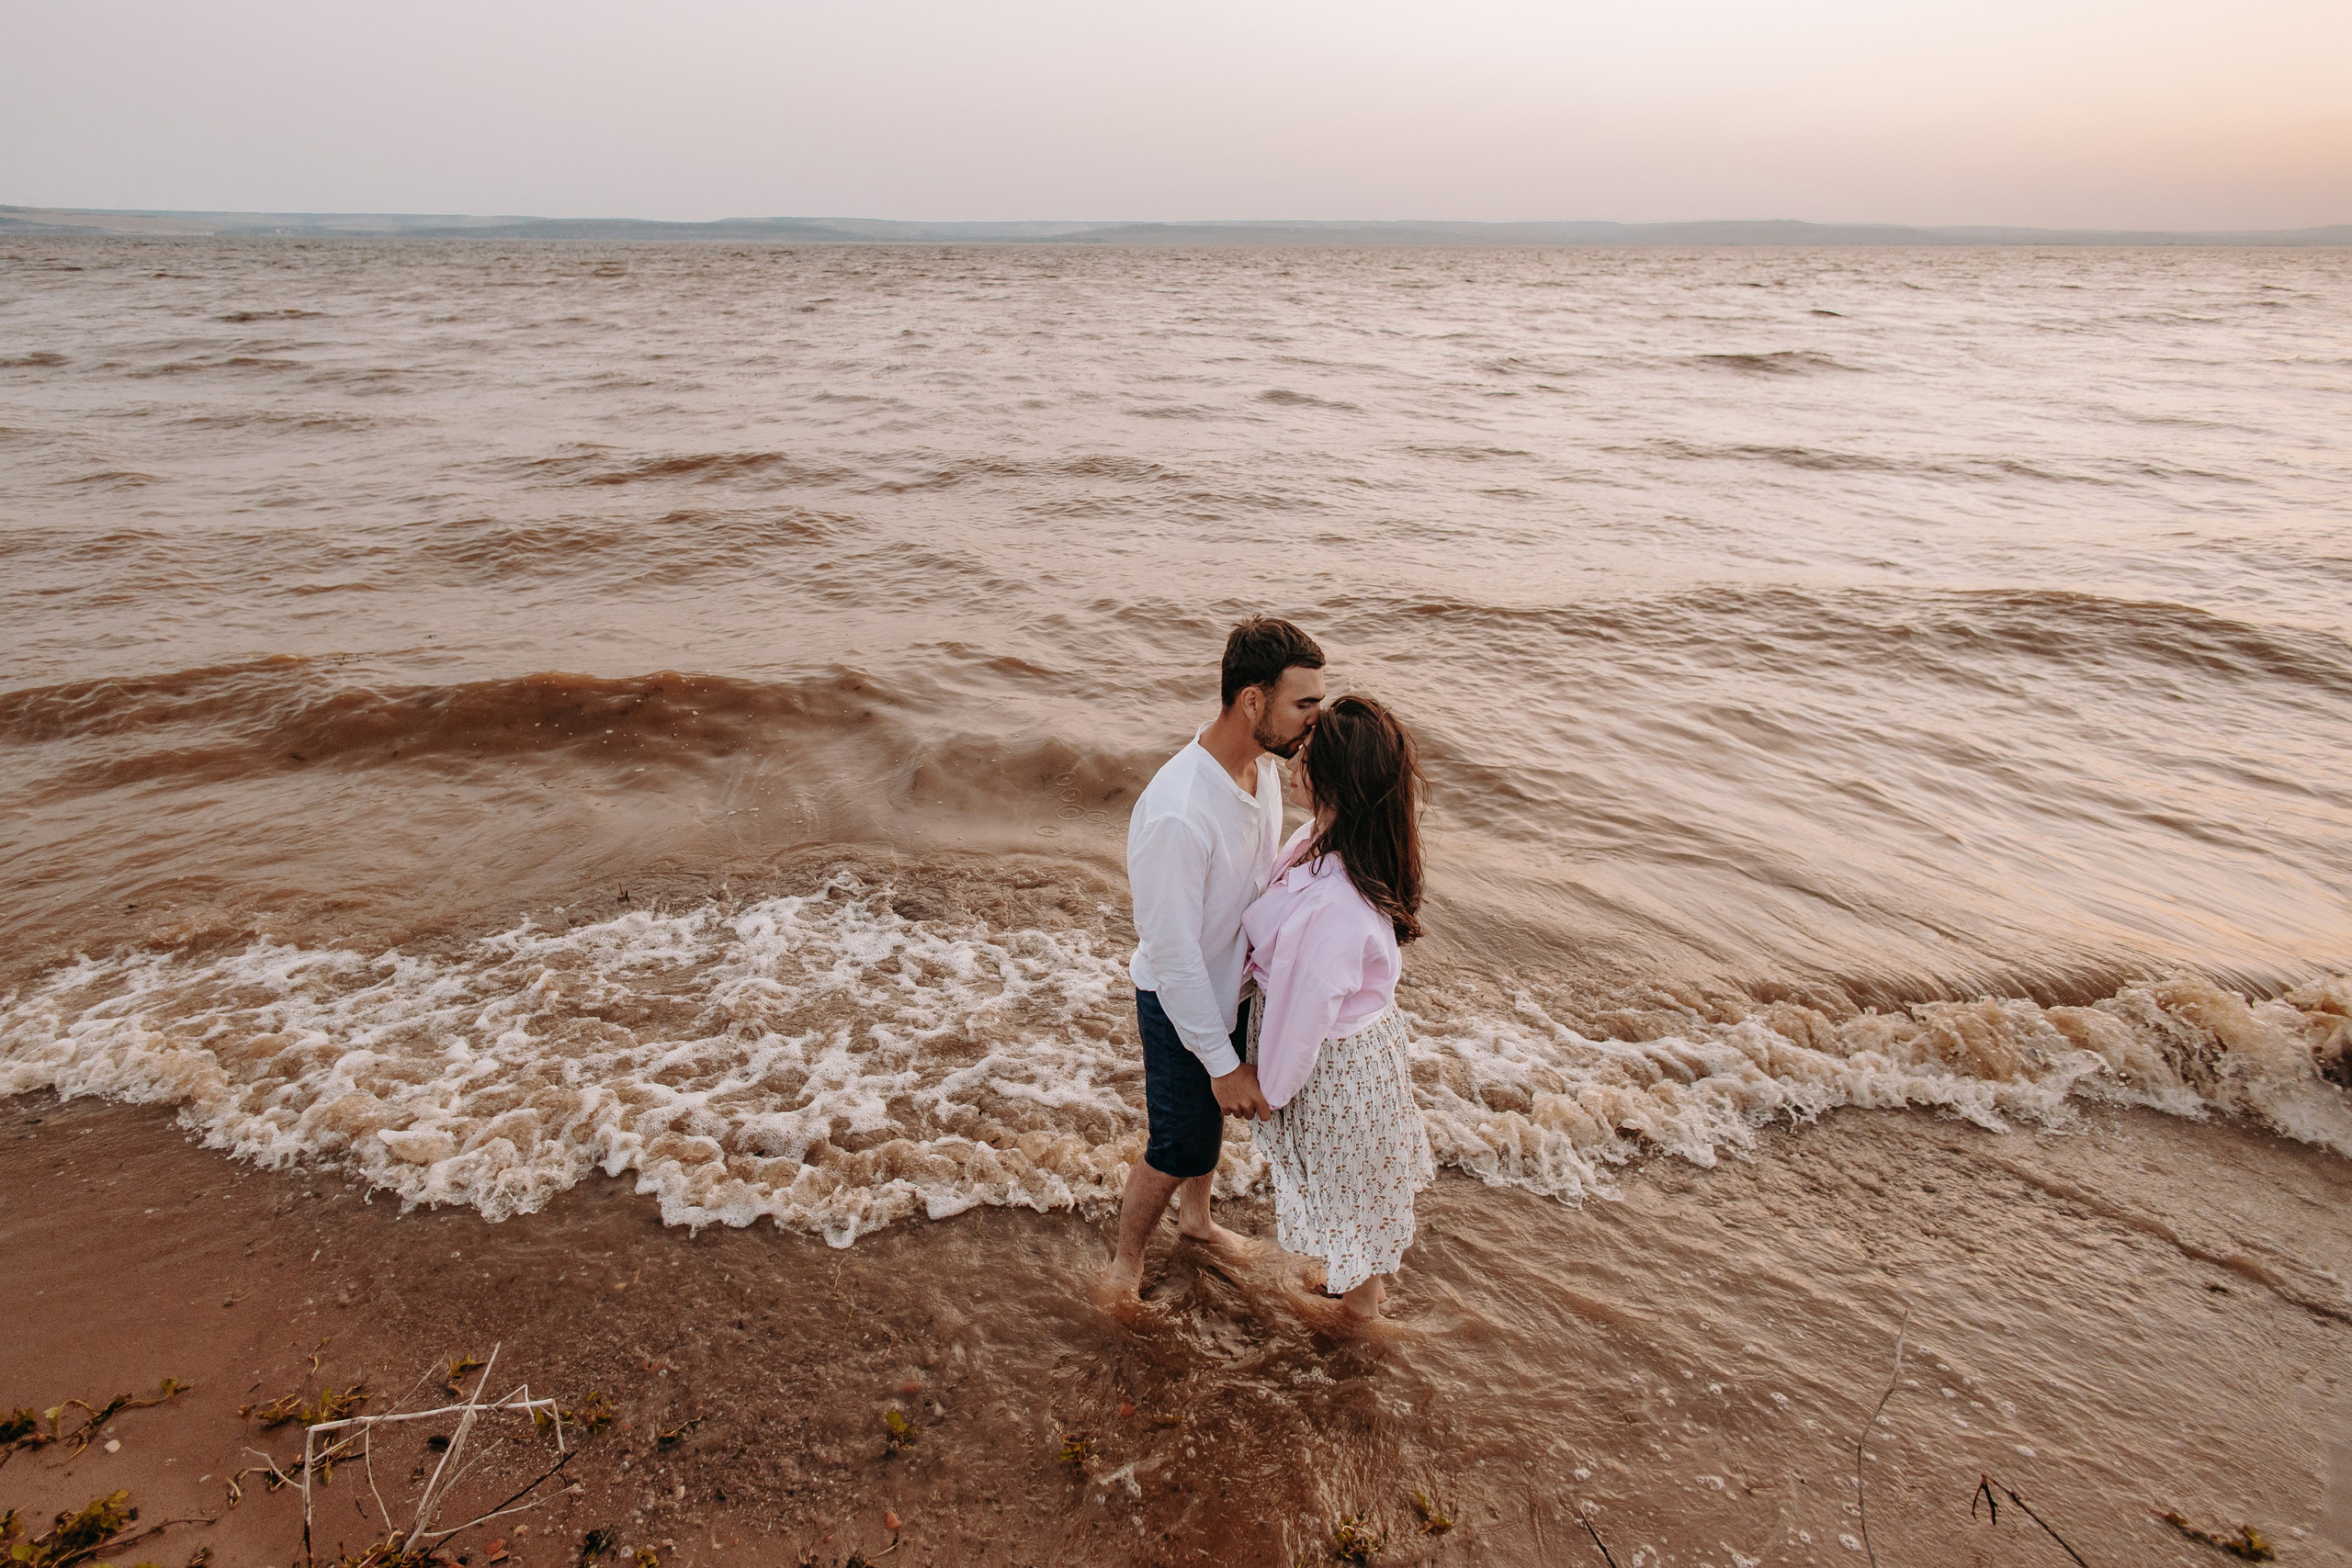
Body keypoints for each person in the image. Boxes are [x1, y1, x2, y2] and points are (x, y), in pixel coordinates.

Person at [1101, 615, 1327, 1302]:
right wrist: (1222, 1064)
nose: (1314, 722)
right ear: (1252, 701)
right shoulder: (1178, 810)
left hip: (1232, 988)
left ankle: (1196, 1223)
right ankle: (1123, 1267)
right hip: (1179, 1000)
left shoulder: (1258, 771)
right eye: (1303, 705)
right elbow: (1170, 956)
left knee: (1210, 1126)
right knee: (1180, 1145)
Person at [1243, 694, 1434, 1320]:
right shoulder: (1323, 838)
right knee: (1353, 1189)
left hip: (1337, 1068)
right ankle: (1356, 1298)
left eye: (1310, 756)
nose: (1295, 758)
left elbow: (1305, 1013)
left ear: (1337, 780)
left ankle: (1361, 1323)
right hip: (1350, 1057)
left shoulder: (1336, 907)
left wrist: (1266, 1086)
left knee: (1354, 1197)